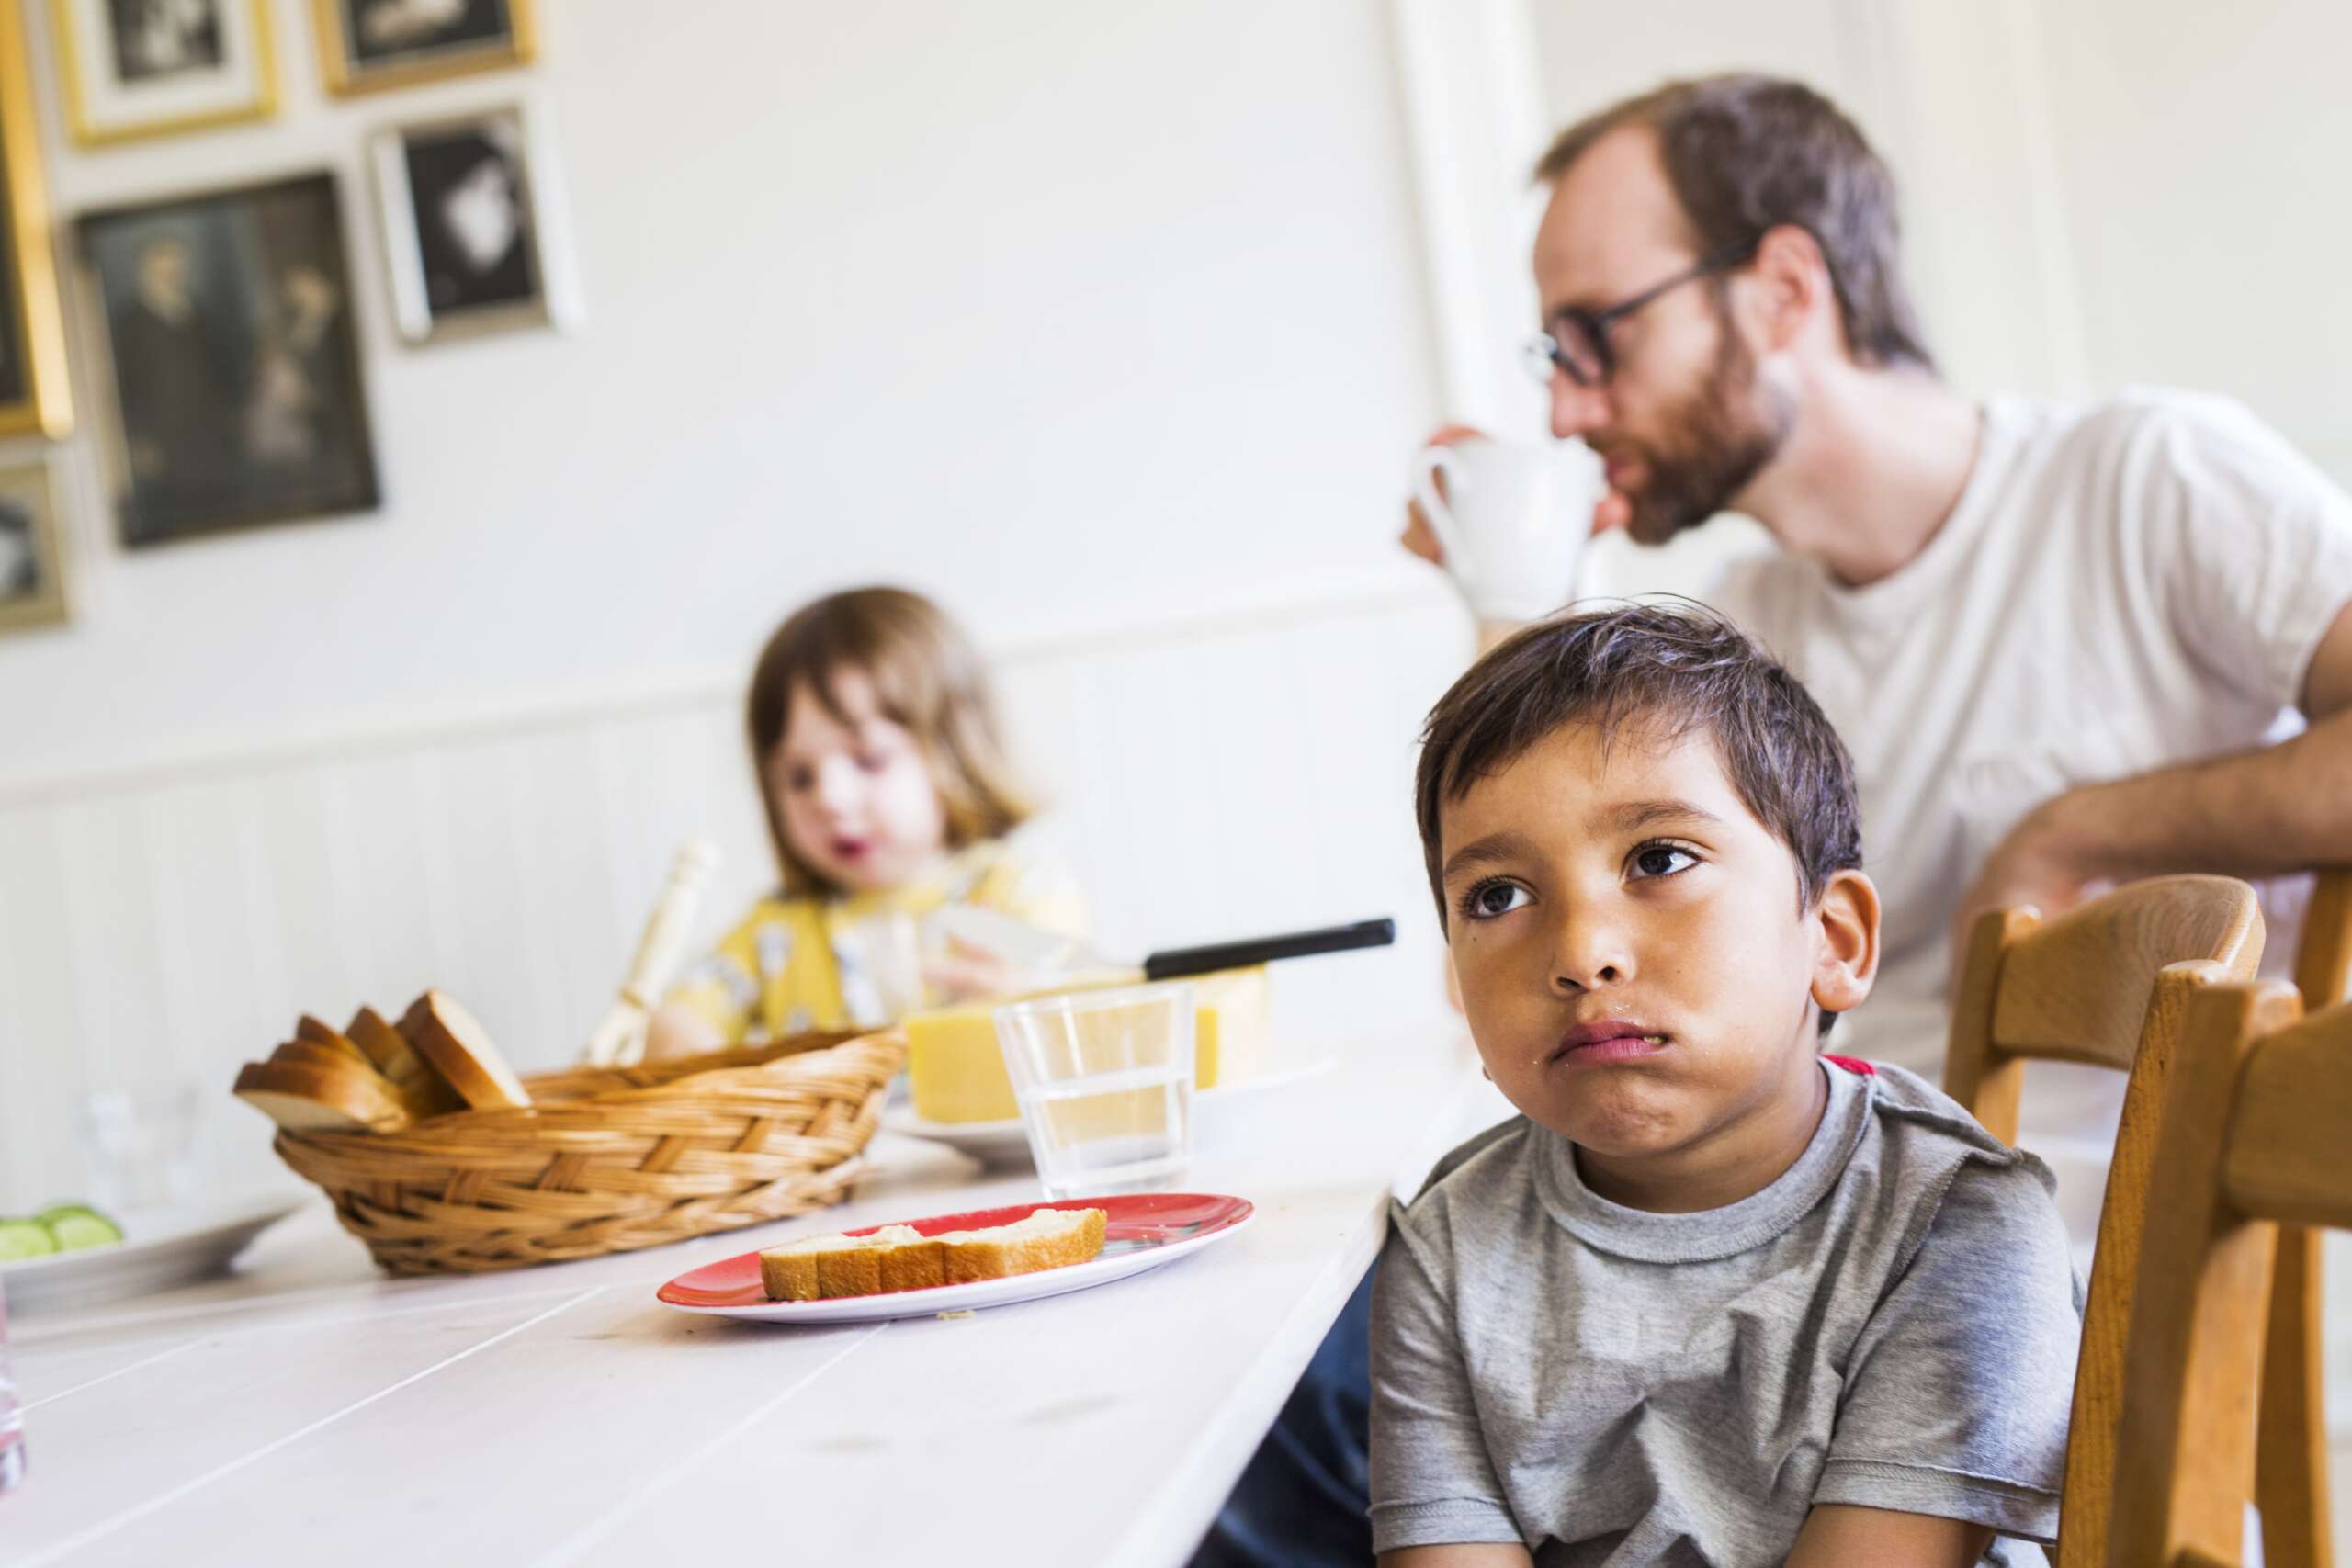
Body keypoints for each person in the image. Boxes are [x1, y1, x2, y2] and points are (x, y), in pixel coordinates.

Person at [1374, 602, 2078, 1565]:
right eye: (1497, 896)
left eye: (1658, 859)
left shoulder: (1954, 1222)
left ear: (1831, 941)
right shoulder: (1445, 1245)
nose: (1582, 955)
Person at [647, 586, 1084, 1051]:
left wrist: (1024, 998)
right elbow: (685, 1017)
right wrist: (674, 1035)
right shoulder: (773, 929)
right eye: (798, 778)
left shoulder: (1012, 889)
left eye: (870, 759)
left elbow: (1074, 1014)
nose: (830, 799)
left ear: (954, 751)